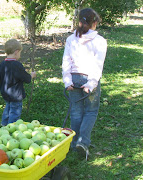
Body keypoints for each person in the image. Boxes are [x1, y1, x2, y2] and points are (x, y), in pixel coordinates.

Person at [62, 8, 107, 160]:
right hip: (88, 78)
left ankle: (74, 143)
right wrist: (91, 83)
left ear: (79, 22)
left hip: (74, 79)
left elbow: (66, 62)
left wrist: (67, 81)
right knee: (91, 111)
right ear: (94, 23)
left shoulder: (70, 39)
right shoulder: (100, 41)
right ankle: (83, 142)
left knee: (76, 111)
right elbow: (97, 65)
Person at [0, 39, 36, 126]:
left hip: (6, 93)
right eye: (20, 53)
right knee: (15, 112)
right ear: (16, 52)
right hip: (16, 95)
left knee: (8, 108)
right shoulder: (17, 65)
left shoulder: (2, 64)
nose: (20, 55)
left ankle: (4, 124)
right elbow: (26, 78)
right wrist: (31, 75)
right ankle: (12, 128)